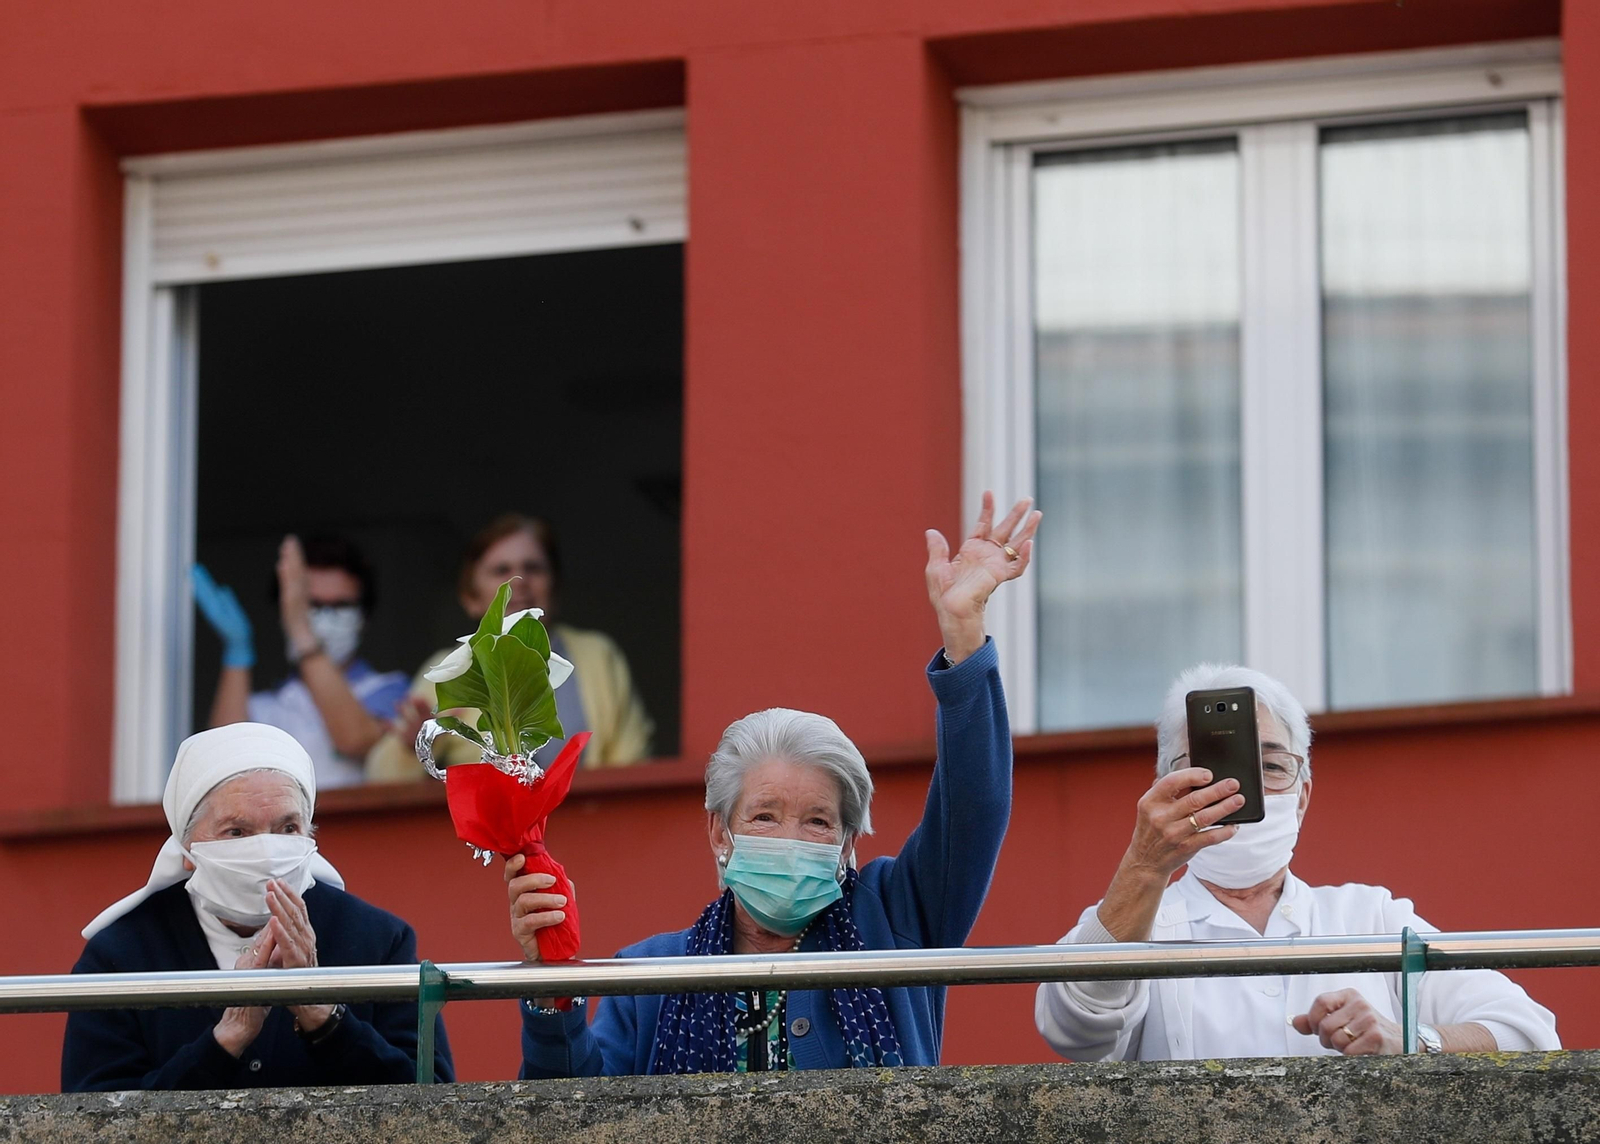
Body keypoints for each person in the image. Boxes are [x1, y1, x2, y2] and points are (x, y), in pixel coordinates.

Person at [509, 493, 1041, 1076]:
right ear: (720, 831)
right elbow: (577, 1114)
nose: (790, 838)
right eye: (764, 816)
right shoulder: (651, 973)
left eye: (818, 820)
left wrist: (963, 631)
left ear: (845, 843)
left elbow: (974, 806)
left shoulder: (897, 917)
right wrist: (552, 985)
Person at [1034, 663, 1560, 1062]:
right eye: (1208, 771)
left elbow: (1529, 1032)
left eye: (1271, 765)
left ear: (1303, 794)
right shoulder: (1131, 922)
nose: (1243, 789)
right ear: (1166, 792)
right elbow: (1074, 1027)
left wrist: (1412, 1040)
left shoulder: (1370, 916)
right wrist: (1144, 867)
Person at [63, 723, 453, 1090]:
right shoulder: (121, 956)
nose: (267, 851)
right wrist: (227, 1038)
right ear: (186, 850)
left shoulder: (378, 940)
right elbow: (94, 1119)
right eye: (237, 831)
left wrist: (323, 1015)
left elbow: (434, 1104)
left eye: (287, 828)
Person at [365, 514, 653, 780]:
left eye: (534, 568)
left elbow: (632, 758)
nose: (519, 581)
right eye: (501, 570)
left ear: (555, 585)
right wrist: (416, 746)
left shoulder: (598, 655)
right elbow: (381, 777)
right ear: (470, 596)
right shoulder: (451, 667)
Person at [195, 534, 410, 789]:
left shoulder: (392, 690)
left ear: (365, 616)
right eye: (312, 605)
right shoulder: (266, 708)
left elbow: (355, 740)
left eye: (341, 605)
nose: (327, 617)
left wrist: (302, 633)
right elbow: (222, 765)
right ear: (285, 611)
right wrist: (237, 654)